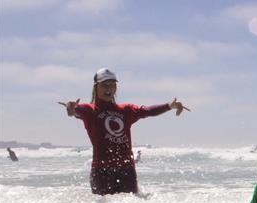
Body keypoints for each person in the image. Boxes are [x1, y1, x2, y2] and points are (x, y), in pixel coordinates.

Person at [59, 68, 189, 195]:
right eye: (104, 85)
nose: (109, 89)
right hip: (101, 172)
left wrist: (169, 106)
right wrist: (72, 108)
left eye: (112, 85)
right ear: (96, 87)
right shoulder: (90, 111)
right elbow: (77, 110)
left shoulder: (126, 110)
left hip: (127, 171)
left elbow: (147, 111)